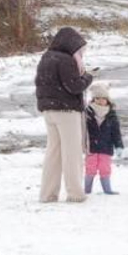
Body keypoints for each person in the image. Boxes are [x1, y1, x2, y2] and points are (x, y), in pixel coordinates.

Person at [35, 26, 94, 203]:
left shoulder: (46, 57)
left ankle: (48, 194)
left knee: (53, 153)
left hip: (49, 111)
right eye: (79, 48)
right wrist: (88, 77)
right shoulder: (66, 60)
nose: (80, 52)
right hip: (66, 112)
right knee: (72, 153)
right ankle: (75, 193)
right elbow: (74, 86)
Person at [83, 80, 123, 195]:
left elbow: (116, 132)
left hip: (106, 147)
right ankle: (87, 190)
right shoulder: (87, 113)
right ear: (93, 99)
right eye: (97, 98)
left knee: (105, 168)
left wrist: (119, 145)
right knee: (90, 168)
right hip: (91, 147)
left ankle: (107, 189)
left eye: (103, 98)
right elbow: (82, 130)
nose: (100, 101)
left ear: (107, 100)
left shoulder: (112, 115)